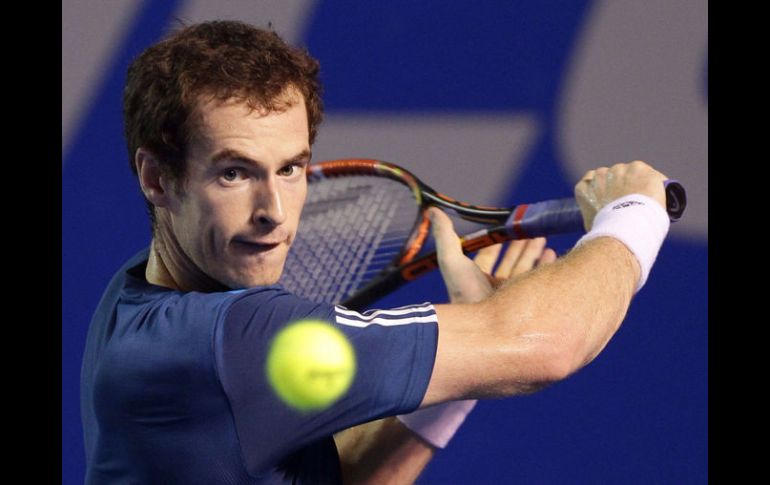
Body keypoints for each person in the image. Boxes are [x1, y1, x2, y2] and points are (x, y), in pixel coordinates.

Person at [80, 20, 671, 484]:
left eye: (291, 169)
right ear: (157, 178)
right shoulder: (233, 339)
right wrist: (634, 214)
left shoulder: (134, 293)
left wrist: (463, 372)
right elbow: (545, 344)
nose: (274, 211)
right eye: (234, 173)